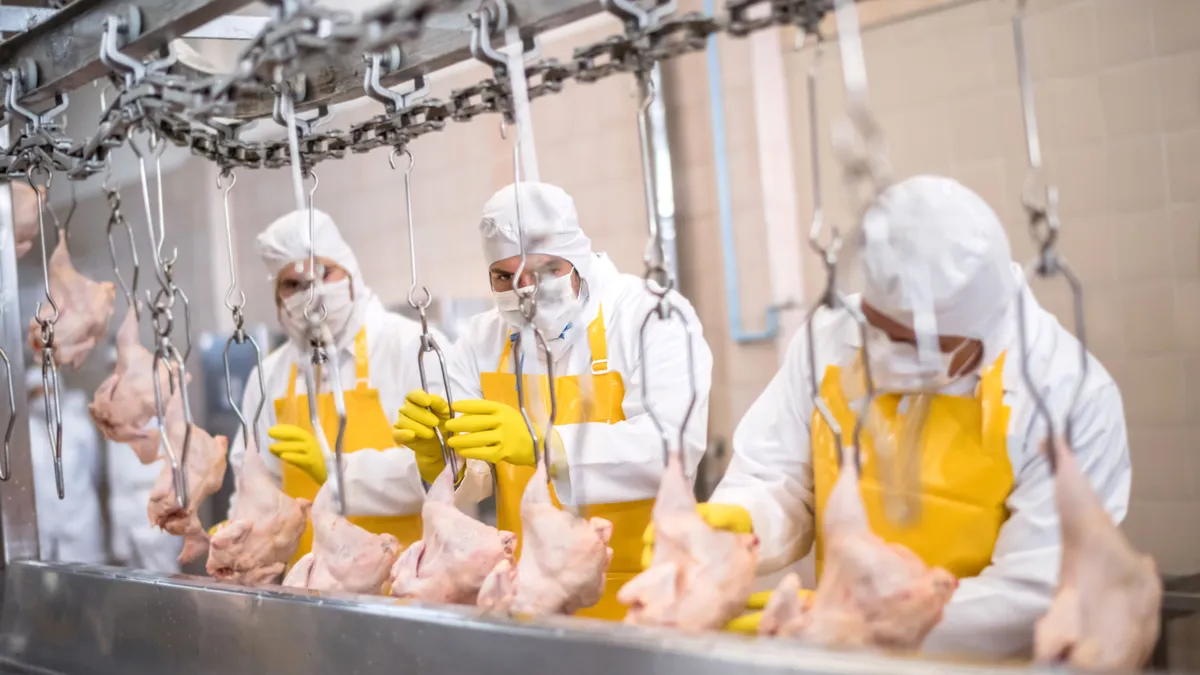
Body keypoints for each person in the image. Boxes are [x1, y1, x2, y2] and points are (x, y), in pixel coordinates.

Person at [670, 175, 1131, 657]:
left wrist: (868, 623)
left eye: (910, 344)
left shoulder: (1068, 394)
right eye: (877, 328)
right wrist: (742, 521)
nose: (885, 352)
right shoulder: (832, 336)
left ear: (978, 325)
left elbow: (1033, 586)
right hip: (842, 660)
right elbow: (777, 476)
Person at [393, 182, 714, 621]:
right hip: (527, 593)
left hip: (643, 593)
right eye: (504, 277)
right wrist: (441, 461)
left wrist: (546, 444)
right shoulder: (481, 339)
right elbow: (479, 476)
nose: (522, 290)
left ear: (576, 260)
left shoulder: (648, 316)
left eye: (542, 271)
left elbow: (671, 449)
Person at [224, 208, 440, 563]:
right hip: (305, 588)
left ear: (351, 273)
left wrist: (337, 473)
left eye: (324, 273)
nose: (311, 294)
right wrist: (239, 531)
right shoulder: (268, 376)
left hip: (407, 588)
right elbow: (253, 486)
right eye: (293, 284)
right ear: (278, 296)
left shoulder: (410, 346)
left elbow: (446, 477)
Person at [27, 369, 105, 564]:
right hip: (42, 526)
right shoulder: (24, 432)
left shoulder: (79, 427)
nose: (43, 397)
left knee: (83, 583)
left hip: (80, 519)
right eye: (35, 393)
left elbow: (95, 469)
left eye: (48, 390)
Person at [108, 438, 184, 572]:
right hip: (125, 498)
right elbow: (116, 471)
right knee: (133, 575)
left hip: (157, 490)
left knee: (163, 572)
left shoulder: (167, 420)